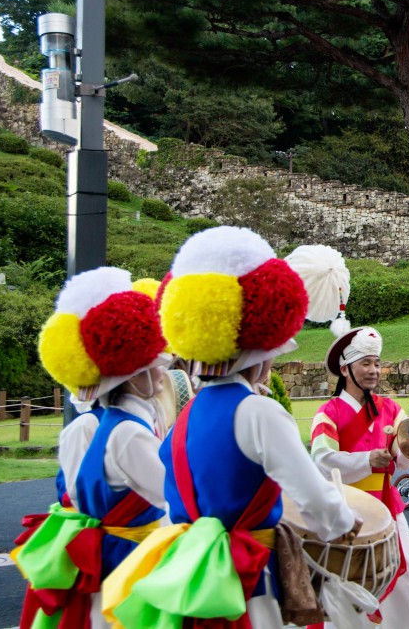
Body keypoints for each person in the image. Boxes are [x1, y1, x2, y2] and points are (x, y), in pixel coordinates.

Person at [102, 226, 359, 628]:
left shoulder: (187, 414)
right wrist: (343, 521)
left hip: (191, 577)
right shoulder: (259, 411)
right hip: (249, 581)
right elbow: (313, 496)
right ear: (259, 355)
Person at [18, 267, 173, 629]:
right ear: (132, 377)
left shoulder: (108, 425)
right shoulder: (126, 432)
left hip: (110, 554)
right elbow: (173, 494)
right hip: (129, 559)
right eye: (153, 367)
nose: (162, 373)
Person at [310, 326, 409, 628]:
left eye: (377, 363)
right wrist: (366, 460)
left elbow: (402, 453)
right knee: (349, 584)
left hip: (387, 506)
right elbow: (321, 459)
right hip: (345, 510)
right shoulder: (328, 412)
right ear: (345, 369)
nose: (374, 370)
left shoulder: (390, 409)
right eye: (365, 363)